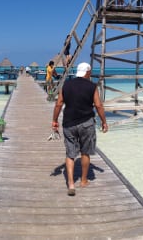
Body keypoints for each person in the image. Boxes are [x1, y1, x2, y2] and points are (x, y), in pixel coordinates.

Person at [51, 62, 108, 197]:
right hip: (86, 123)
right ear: (87, 72)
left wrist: (54, 120)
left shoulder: (66, 85)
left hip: (69, 123)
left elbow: (59, 103)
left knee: (70, 154)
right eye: (90, 72)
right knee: (85, 152)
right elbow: (98, 106)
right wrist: (104, 122)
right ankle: (83, 180)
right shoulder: (92, 86)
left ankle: (71, 184)